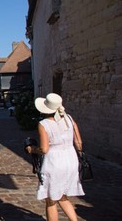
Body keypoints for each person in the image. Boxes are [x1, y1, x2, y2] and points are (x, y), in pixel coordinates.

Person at [25, 93, 84, 221]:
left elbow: (44, 149)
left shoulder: (44, 124)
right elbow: (79, 144)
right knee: (62, 196)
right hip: (71, 160)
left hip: (55, 162)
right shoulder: (69, 118)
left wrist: (32, 149)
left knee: (51, 199)